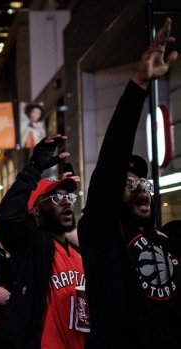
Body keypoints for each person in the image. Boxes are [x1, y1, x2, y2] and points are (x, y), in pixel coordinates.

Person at [77, 18, 181, 348]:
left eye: (143, 184)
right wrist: (138, 85)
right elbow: (109, 167)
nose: (139, 188)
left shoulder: (171, 239)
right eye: (127, 184)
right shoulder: (103, 238)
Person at [0, 135, 85, 348]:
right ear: (35, 210)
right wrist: (34, 168)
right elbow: (7, 218)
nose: (67, 203)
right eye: (55, 198)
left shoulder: (77, 250)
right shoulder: (31, 244)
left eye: (69, 198)